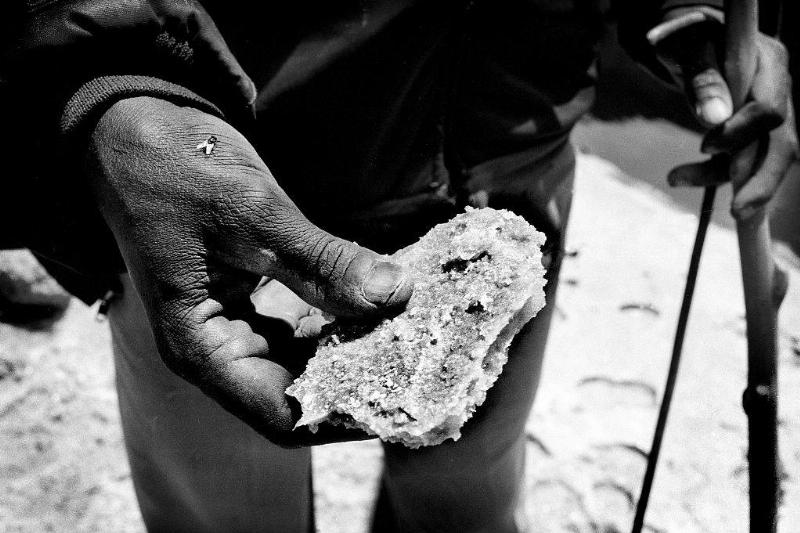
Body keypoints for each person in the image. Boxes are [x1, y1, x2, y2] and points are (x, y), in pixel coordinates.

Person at [0, 1, 795, 532]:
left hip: (508, 166)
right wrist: (100, 86)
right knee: (222, 513)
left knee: (468, 492)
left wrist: (690, 11)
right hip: (220, 196)